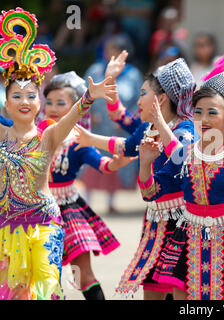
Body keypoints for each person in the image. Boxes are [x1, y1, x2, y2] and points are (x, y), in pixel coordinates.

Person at [0, 7, 117, 300]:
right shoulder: (1, 133)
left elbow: (73, 115)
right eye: (16, 95)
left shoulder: (48, 135)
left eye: (31, 96)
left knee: (46, 286)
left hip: (44, 223)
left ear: (39, 102)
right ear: (6, 104)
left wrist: (90, 96)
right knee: (13, 293)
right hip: (7, 226)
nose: (24, 101)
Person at [137, 72, 224, 300]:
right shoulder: (182, 155)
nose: (204, 119)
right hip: (187, 236)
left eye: (212, 112)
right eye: (198, 112)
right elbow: (150, 192)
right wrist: (145, 163)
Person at [75, 58, 197, 300]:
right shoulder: (146, 129)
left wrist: (159, 129)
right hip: (154, 222)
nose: (138, 100)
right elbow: (125, 144)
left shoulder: (187, 130)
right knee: (151, 288)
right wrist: (90, 139)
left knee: (183, 292)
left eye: (143, 93)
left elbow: (182, 158)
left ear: (161, 99)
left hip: (184, 224)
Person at [43, 71, 131, 300]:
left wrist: (117, 162)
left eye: (61, 103)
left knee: (82, 274)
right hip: (39, 210)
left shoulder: (78, 139)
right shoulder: (36, 135)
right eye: (49, 102)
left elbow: (102, 163)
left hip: (68, 210)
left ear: (75, 107)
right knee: (45, 274)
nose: (52, 107)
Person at [82, 34, 143, 214]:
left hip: (120, 128)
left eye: (114, 50)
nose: (110, 53)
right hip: (97, 125)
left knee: (116, 161)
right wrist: (89, 114)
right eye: (108, 49)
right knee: (91, 160)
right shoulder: (95, 70)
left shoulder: (133, 75)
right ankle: (86, 201)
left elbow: (138, 101)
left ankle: (110, 201)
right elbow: (84, 93)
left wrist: (127, 120)